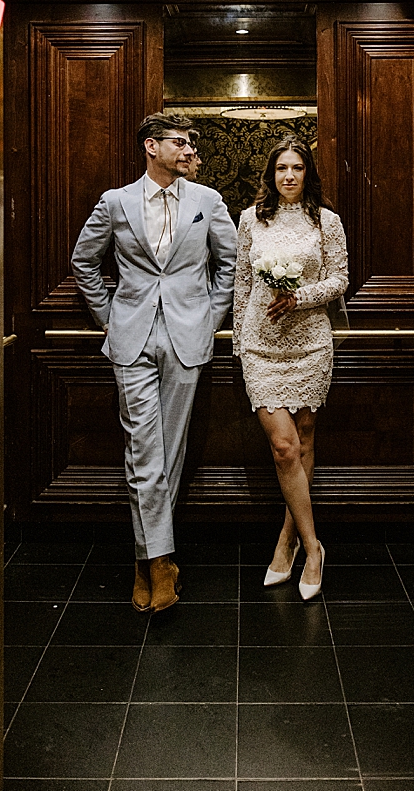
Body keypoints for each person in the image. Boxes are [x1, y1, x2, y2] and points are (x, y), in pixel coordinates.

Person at [70, 114, 238, 612]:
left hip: (188, 336)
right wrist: (108, 316)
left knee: (170, 448)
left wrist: (210, 318)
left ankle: (146, 559)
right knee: (143, 445)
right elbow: (84, 261)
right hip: (131, 334)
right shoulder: (116, 202)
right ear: (151, 146)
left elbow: (229, 264)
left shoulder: (207, 202)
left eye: (190, 144)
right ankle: (160, 560)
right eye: (180, 143)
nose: (189, 151)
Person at [233, 137, 349, 600]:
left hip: (311, 344)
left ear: (307, 173)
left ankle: (290, 541)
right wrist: (242, 344)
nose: (288, 176)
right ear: (270, 173)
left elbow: (340, 278)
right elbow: (242, 284)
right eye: (281, 168)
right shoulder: (250, 219)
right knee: (283, 446)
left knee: (303, 442)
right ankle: (314, 544)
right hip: (262, 346)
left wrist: (298, 297)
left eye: (296, 168)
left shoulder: (328, 221)